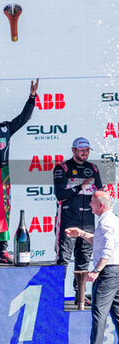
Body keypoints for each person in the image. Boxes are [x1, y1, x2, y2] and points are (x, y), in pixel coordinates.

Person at [0, 68, 39, 265]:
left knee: (4, 210)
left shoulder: (6, 127)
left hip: (4, 172)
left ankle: (3, 250)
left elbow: (24, 118)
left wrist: (32, 97)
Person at [65, 191, 119, 344]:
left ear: (100, 205)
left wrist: (96, 270)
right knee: (116, 312)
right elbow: (99, 241)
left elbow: (108, 250)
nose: (89, 204)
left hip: (108, 272)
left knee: (98, 314)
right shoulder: (110, 220)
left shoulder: (107, 222)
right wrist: (81, 233)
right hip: (114, 271)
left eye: (92, 202)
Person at [53, 137, 102, 302]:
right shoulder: (63, 168)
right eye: (82, 150)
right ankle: (56, 296)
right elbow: (60, 195)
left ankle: (79, 296)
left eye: (87, 150)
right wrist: (80, 187)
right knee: (63, 259)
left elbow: (100, 194)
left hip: (88, 220)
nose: (85, 153)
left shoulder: (93, 168)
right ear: (73, 150)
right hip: (69, 219)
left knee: (84, 259)